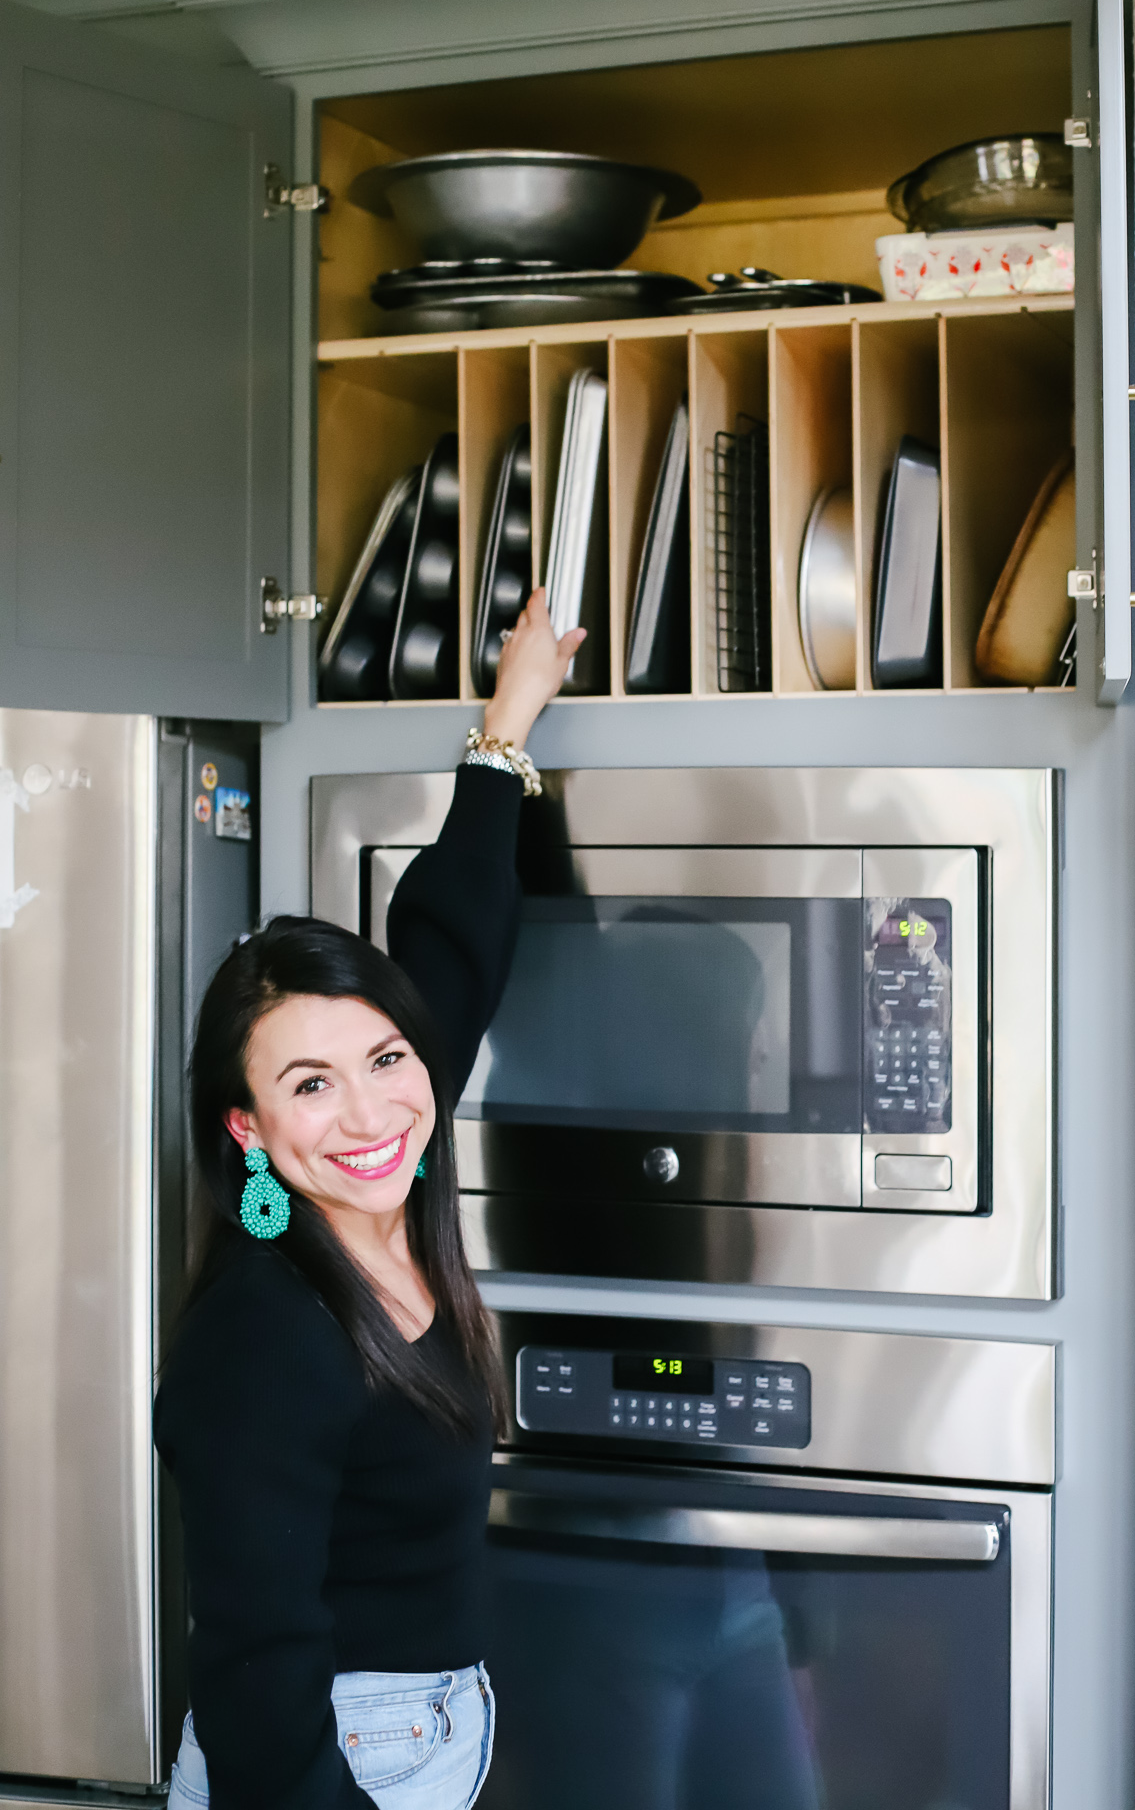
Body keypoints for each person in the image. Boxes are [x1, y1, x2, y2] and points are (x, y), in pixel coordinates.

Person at [154, 588, 583, 1810]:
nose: (369, 1112)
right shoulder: (263, 1331)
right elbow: (254, 1675)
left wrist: (507, 724)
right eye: (308, 1083)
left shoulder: (395, 1143)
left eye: (387, 1057)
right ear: (247, 1126)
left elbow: (449, 946)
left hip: (430, 1727)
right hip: (331, 1760)